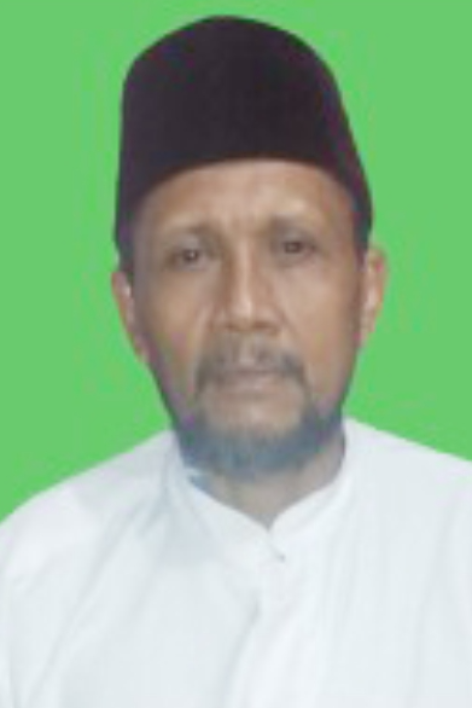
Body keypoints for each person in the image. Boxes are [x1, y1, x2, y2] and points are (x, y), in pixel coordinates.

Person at [1, 15, 472, 708]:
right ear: (131, 310)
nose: (244, 307)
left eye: (292, 247)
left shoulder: (459, 543)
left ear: (368, 291)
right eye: (191, 256)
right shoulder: (30, 583)